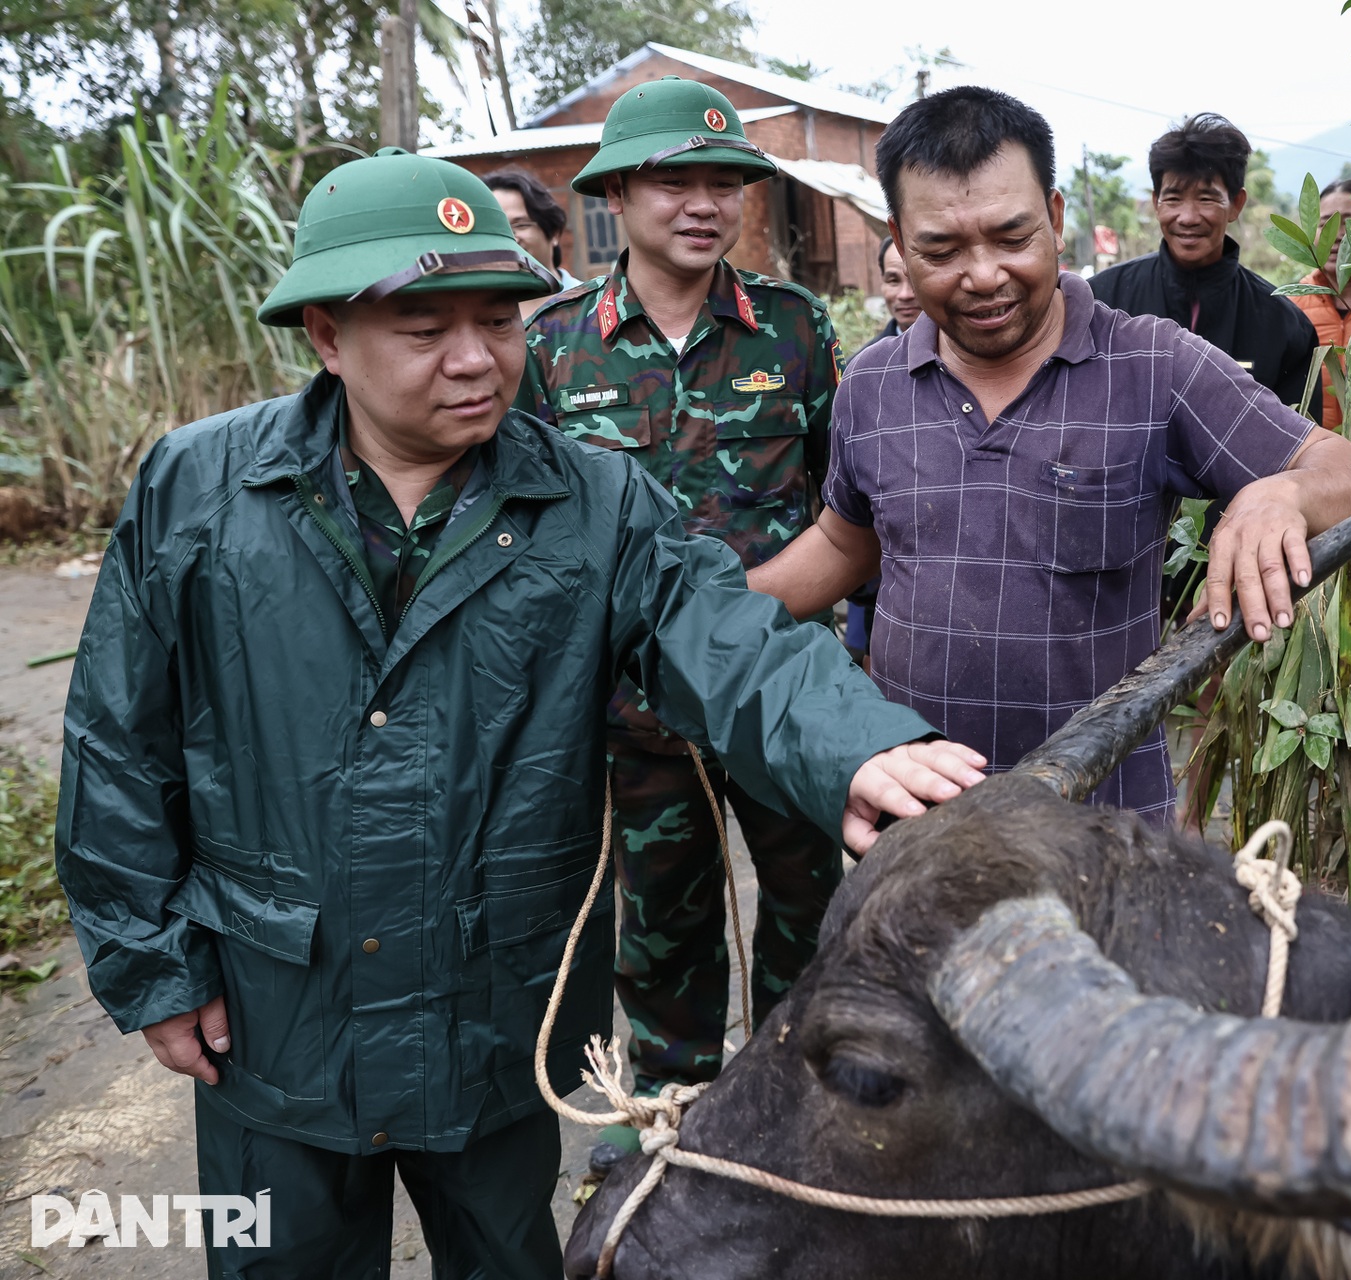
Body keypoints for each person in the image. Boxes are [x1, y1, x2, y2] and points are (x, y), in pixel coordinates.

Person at [55, 149, 984, 1279]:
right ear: (328, 338)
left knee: (505, 1252)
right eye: (423, 326)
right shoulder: (196, 491)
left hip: (491, 1008)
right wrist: (152, 966)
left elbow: (724, 635)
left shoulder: (592, 502)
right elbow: (117, 740)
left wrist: (862, 745)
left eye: (498, 320)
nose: (475, 360)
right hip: (272, 1007)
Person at [747, 87, 1351, 824]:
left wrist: (1281, 496)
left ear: (1054, 216)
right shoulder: (871, 384)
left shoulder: (1154, 365)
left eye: (1011, 237)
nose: (982, 275)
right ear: (899, 236)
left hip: (1102, 821)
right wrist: (707, 612)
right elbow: (843, 543)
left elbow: (1346, 474)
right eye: (941, 250)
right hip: (919, 816)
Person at [515, 78, 857, 1128]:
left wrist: (741, 633)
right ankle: (668, 1132)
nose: (704, 203)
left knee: (813, 917)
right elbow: (529, 536)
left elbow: (845, 511)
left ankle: (806, 1131)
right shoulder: (552, 345)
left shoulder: (794, 330)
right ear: (619, 191)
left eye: (726, 182)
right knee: (661, 931)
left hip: (777, 695)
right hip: (634, 715)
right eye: (675, 181)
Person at [1090, 113, 1321, 418]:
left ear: (1236, 204)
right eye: (1173, 198)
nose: (1188, 217)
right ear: (1156, 201)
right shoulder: (1100, 301)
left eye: (1206, 198)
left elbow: (1300, 443)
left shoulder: (1283, 324)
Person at [843, 237, 921, 663]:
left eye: (911, 279)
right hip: (869, 560)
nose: (904, 295)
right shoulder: (861, 369)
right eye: (892, 280)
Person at [1293, 178, 1351, 428]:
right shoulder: (1293, 304)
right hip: (1318, 452)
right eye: (1325, 224)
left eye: (1349, 222)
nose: (1336, 235)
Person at [482, 166, 580, 314]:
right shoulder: (481, 314)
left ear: (554, 233)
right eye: (497, 228)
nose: (509, 239)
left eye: (520, 225)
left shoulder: (590, 304)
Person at [873, 234, 922, 342]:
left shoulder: (965, 354)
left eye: (915, 280)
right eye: (893, 281)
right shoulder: (868, 358)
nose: (905, 295)